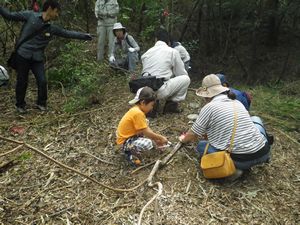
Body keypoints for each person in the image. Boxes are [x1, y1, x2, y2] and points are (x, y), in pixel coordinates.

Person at [0, 0, 92, 114]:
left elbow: (67, 33)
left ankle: (41, 103)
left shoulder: (51, 28)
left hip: (37, 58)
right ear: (49, 9)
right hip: (23, 55)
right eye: (56, 11)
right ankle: (20, 105)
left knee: (42, 80)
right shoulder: (31, 16)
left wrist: (85, 36)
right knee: (22, 81)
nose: (57, 15)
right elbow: (9, 15)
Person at [179, 74, 271, 180]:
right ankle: (245, 165)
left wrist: (183, 139)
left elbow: (193, 134)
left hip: (242, 159)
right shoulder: (237, 102)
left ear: (207, 95)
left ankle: (234, 170)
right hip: (263, 153)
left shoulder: (209, 107)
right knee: (255, 120)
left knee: (201, 146)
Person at [141, 28, 190, 116]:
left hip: (144, 91)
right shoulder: (172, 52)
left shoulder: (146, 53)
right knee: (186, 78)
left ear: (156, 40)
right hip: (160, 90)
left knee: (157, 80)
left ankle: (151, 105)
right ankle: (170, 106)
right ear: (168, 42)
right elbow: (181, 73)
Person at [116, 86, 168, 166]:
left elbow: (146, 129)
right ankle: (131, 156)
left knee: (145, 123)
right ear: (143, 102)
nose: (152, 108)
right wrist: (160, 138)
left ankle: (134, 150)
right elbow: (147, 132)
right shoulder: (138, 113)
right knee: (148, 144)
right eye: (151, 105)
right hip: (125, 142)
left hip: (129, 137)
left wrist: (156, 139)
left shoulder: (136, 110)